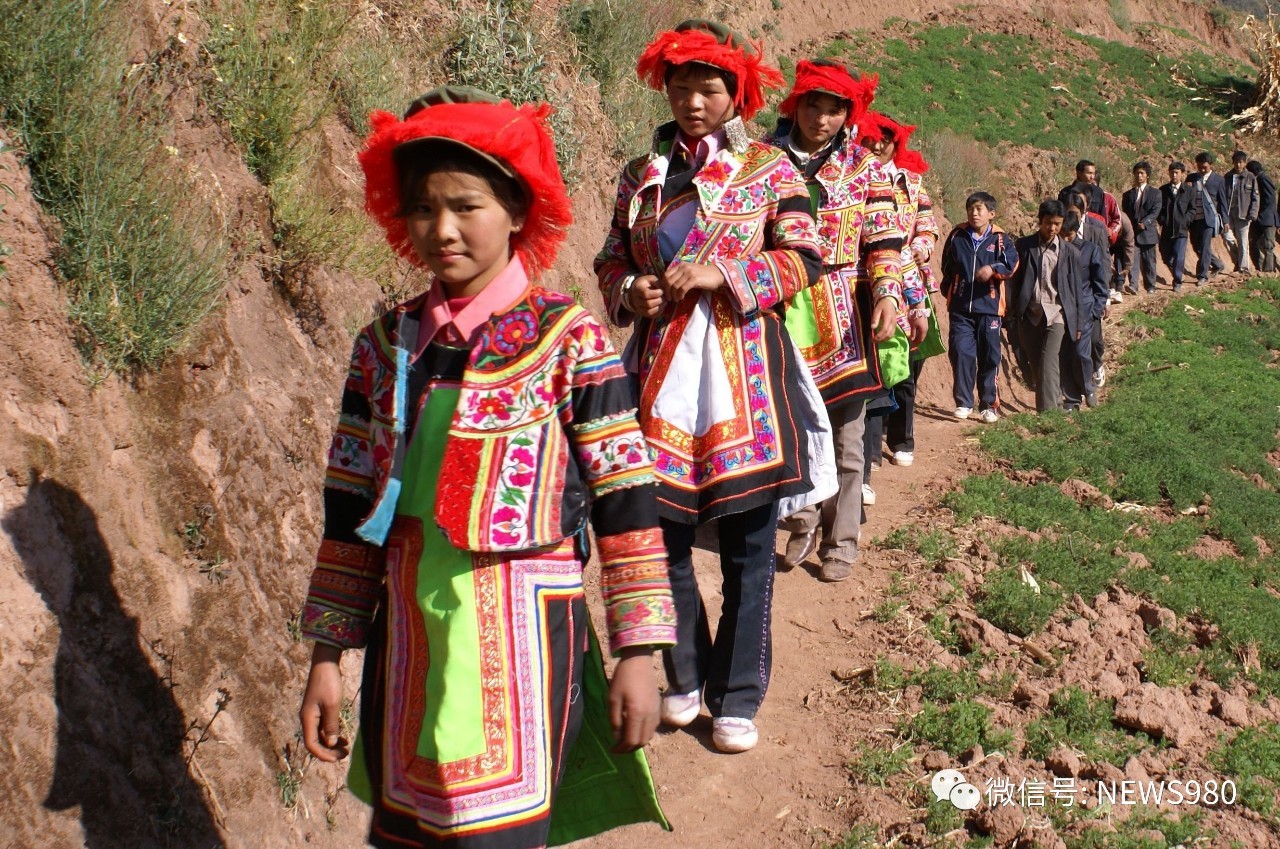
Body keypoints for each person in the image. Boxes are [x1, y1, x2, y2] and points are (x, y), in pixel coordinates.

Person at [298, 88, 678, 848]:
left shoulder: (567, 340)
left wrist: (639, 649)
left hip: (520, 641)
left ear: (514, 209)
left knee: (492, 834)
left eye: (466, 206)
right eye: (424, 209)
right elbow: (349, 508)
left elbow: (626, 499)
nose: (443, 229)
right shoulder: (384, 348)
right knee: (406, 833)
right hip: (407, 636)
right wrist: (328, 654)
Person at [596, 20, 824, 753]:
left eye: (710, 87)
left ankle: (739, 693)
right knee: (658, 536)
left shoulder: (771, 169)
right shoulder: (642, 174)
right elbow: (608, 259)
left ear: (736, 94)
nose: (694, 100)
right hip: (658, 378)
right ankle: (685, 673)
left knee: (748, 548)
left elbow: (803, 257)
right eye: (682, 85)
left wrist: (722, 273)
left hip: (743, 377)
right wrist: (632, 288)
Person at [761, 60, 904, 583]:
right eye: (813, 105)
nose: (822, 118)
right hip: (776, 307)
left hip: (843, 311)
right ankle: (800, 518)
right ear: (794, 105)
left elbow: (886, 240)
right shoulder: (763, 160)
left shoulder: (866, 168)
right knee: (789, 429)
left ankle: (841, 539)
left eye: (835, 109)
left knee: (846, 439)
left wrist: (888, 294)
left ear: (849, 114)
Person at [858, 111, 940, 491]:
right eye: (871, 139)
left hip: (907, 283)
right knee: (870, 371)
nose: (876, 146)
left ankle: (902, 438)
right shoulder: (852, 176)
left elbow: (927, 225)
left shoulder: (912, 183)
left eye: (884, 141)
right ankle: (866, 455)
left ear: (895, 144)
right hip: (860, 281)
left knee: (905, 365)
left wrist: (921, 248)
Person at [939, 191, 1019, 422]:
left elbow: (1012, 265)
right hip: (961, 306)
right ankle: (964, 402)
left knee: (989, 356)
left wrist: (993, 270)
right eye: (971, 209)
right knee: (961, 352)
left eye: (979, 209)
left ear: (991, 214)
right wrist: (951, 290)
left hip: (990, 307)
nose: (974, 213)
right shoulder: (956, 235)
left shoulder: (1001, 239)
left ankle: (988, 404)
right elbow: (947, 265)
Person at [1007, 200, 1091, 412]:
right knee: (1037, 365)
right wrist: (1012, 311)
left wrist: (1079, 322)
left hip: (1058, 313)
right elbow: (1015, 281)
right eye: (1048, 223)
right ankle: (1055, 406)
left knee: (1048, 360)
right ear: (1040, 221)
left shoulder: (1070, 252)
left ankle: (1048, 414)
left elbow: (1075, 290)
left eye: (1057, 223)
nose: (1052, 228)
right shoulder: (1025, 246)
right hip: (1031, 313)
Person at [1061, 206, 1109, 408]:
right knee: (1065, 354)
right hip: (1061, 309)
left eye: (1069, 235)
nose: (1065, 240)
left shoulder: (1089, 250)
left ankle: (1088, 389)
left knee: (1082, 353)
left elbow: (1100, 283)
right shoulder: (1056, 250)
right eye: (1062, 236)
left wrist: (1097, 307)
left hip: (1085, 311)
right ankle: (1071, 398)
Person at [1187, 151, 1230, 285]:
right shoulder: (1192, 178)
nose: (1202, 169)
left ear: (1210, 165)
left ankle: (1202, 276)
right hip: (1194, 219)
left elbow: (1223, 202)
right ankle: (1217, 264)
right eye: (1199, 166)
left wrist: (1226, 220)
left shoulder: (1218, 180)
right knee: (1197, 247)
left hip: (1209, 219)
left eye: (1204, 167)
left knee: (1205, 246)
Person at [1121, 161, 1162, 294]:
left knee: (1149, 261)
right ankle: (1133, 285)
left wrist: (1145, 222)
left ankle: (1150, 286)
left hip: (1148, 232)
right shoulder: (1128, 195)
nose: (1139, 176)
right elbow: (1126, 213)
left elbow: (1155, 211)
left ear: (1147, 176)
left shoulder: (1155, 193)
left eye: (1141, 173)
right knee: (1132, 260)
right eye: (1137, 173)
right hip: (1133, 232)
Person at [1159, 161, 1194, 292]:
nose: (1174, 175)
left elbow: (1192, 209)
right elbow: (1159, 208)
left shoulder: (1189, 191)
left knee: (1179, 256)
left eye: (1177, 173)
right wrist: (1162, 220)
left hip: (1181, 230)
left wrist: (1185, 220)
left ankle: (1177, 281)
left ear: (1182, 174)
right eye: (1172, 172)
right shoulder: (1163, 190)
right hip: (1167, 229)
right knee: (1165, 255)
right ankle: (1176, 271)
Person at [1225, 150, 1260, 273]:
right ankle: (1237, 260)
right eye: (1236, 162)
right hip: (1229, 213)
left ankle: (1244, 268)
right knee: (1227, 237)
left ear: (1245, 163)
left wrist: (1253, 214)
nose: (1238, 165)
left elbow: (1256, 197)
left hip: (1243, 214)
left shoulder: (1250, 177)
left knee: (1243, 241)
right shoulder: (1228, 176)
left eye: (1240, 162)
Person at [1247, 159, 1277, 273]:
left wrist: (1259, 210)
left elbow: (1270, 198)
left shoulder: (1263, 178)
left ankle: (1268, 270)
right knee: (1252, 241)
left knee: (1268, 245)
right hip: (1259, 217)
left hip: (1267, 217)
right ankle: (1259, 267)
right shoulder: (1258, 179)